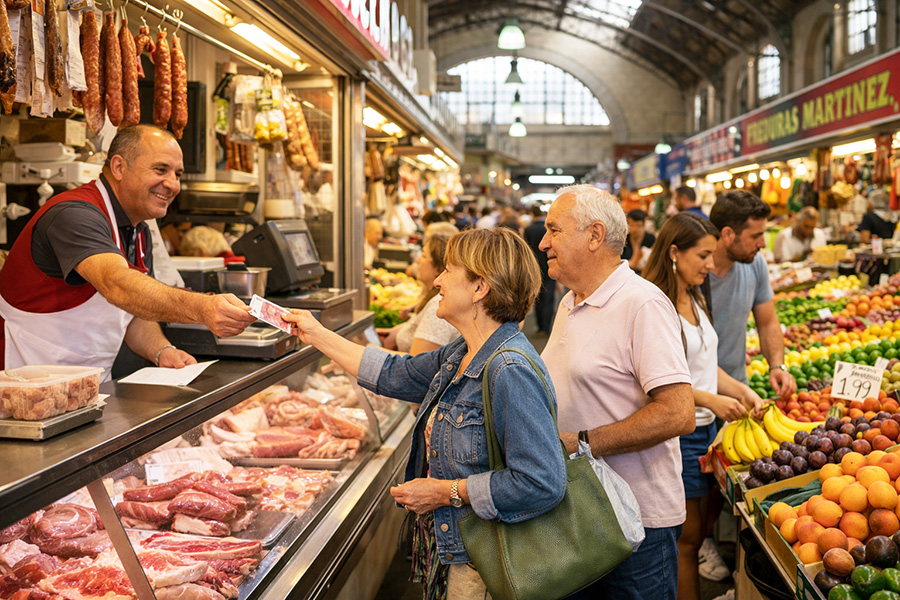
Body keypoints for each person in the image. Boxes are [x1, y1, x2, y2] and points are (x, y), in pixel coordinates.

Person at [283, 228, 566, 599]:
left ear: (480, 288)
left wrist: (445, 492)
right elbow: (392, 373)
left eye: (448, 270)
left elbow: (542, 482)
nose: (436, 280)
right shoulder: (460, 354)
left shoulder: (508, 369)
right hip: (457, 553)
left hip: (487, 567)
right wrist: (316, 333)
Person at [0, 125, 257, 381]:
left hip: (88, 387)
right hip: (23, 380)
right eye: (160, 170)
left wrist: (162, 351)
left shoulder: (139, 229)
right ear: (119, 167)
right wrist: (202, 308)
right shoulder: (74, 214)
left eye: (177, 174)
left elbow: (131, 311)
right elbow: (117, 285)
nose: (173, 185)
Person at [537, 184, 695, 600]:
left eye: (554, 230)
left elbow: (678, 413)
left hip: (637, 526)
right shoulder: (571, 301)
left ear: (593, 235)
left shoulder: (641, 305)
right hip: (582, 515)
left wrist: (580, 443)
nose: (543, 242)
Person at [643, 212, 765, 600]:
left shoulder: (695, 295)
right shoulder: (655, 305)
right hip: (683, 434)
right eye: (703, 256)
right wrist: (712, 398)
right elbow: (655, 381)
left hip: (708, 430)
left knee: (702, 528)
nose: (711, 265)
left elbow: (701, 363)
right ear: (675, 252)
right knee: (688, 540)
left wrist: (740, 391)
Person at [708, 190, 796, 399]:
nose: (763, 244)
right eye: (756, 236)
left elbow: (767, 323)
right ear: (728, 235)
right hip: (697, 392)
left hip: (738, 390)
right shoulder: (694, 271)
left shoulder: (755, 263)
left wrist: (777, 365)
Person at [378, 233, 460, 355]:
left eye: (423, 255)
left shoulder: (437, 307)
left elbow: (418, 367)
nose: (417, 260)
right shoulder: (432, 299)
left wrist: (364, 350)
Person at [524, 204, 554, 335]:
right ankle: (547, 327)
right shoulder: (547, 229)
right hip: (550, 265)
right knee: (549, 298)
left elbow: (526, 250)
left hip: (534, 267)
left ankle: (540, 326)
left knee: (537, 297)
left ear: (532, 214)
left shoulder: (529, 228)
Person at [622, 208, 656, 274]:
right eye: (632, 225)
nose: (635, 229)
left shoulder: (651, 239)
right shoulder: (623, 239)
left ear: (644, 225)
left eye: (638, 226)